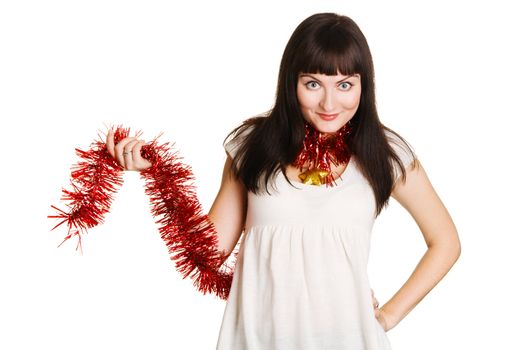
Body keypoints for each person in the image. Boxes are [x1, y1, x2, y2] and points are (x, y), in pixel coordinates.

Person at [106, 12, 461, 350]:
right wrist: (159, 173)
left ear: (363, 86)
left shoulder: (385, 152)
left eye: (345, 85)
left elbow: (445, 241)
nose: (329, 102)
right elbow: (208, 252)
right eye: (313, 84)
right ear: (291, 83)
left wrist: (387, 315)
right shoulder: (251, 145)